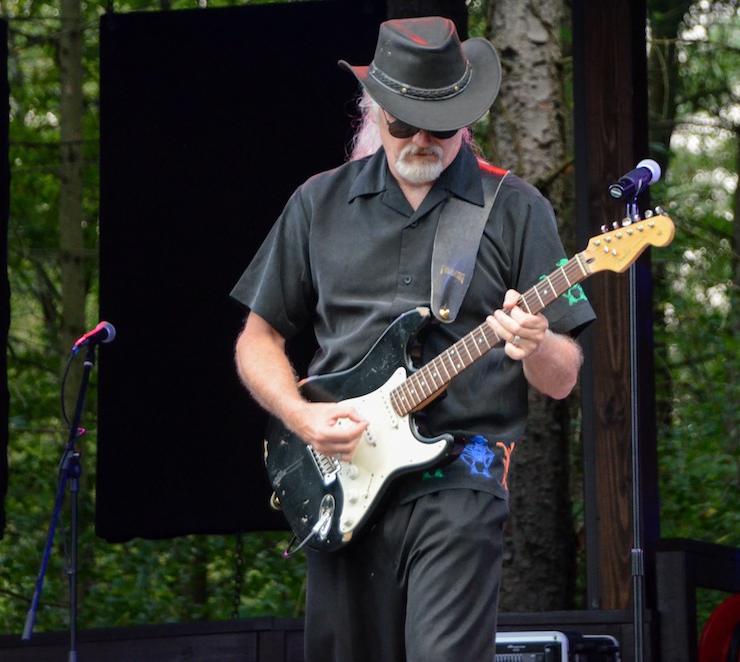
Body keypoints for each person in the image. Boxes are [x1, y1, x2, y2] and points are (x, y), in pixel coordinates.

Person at [230, 15, 595, 662]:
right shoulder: (318, 203)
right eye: (404, 123)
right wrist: (302, 416)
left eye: (441, 126)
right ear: (374, 112)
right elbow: (257, 338)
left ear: (466, 120)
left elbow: (563, 377)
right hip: (342, 477)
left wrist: (535, 342)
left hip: (462, 476)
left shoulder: (515, 207)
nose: (422, 139)